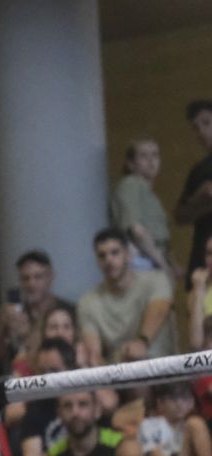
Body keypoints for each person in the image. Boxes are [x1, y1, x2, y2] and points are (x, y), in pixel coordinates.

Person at [78, 228, 175, 363]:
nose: (109, 260)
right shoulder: (87, 302)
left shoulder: (156, 280)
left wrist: (142, 342)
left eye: (115, 252)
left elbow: (159, 310)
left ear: (128, 254)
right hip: (119, 375)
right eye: (102, 255)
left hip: (164, 368)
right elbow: (94, 355)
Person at [0, 250, 64, 376]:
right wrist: (3, 327)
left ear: (50, 277)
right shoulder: (6, 311)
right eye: (25, 278)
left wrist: (26, 336)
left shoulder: (64, 310)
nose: (31, 284)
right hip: (11, 384)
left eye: (37, 277)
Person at [114, 138, 180, 279]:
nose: (151, 161)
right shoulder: (130, 185)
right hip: (143, 261)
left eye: (155, 155)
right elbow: (137, 230)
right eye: (143, 156)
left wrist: (173, 266)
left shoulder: (149, 193)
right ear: (131, 164)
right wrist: (164, 265)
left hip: (155, 259)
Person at [175, 99, 212, 289]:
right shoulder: (199, 170)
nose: (202, 132)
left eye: (207, 123)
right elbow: (180, 216)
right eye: (196, 128)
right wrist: (199, 199)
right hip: (203, 253)